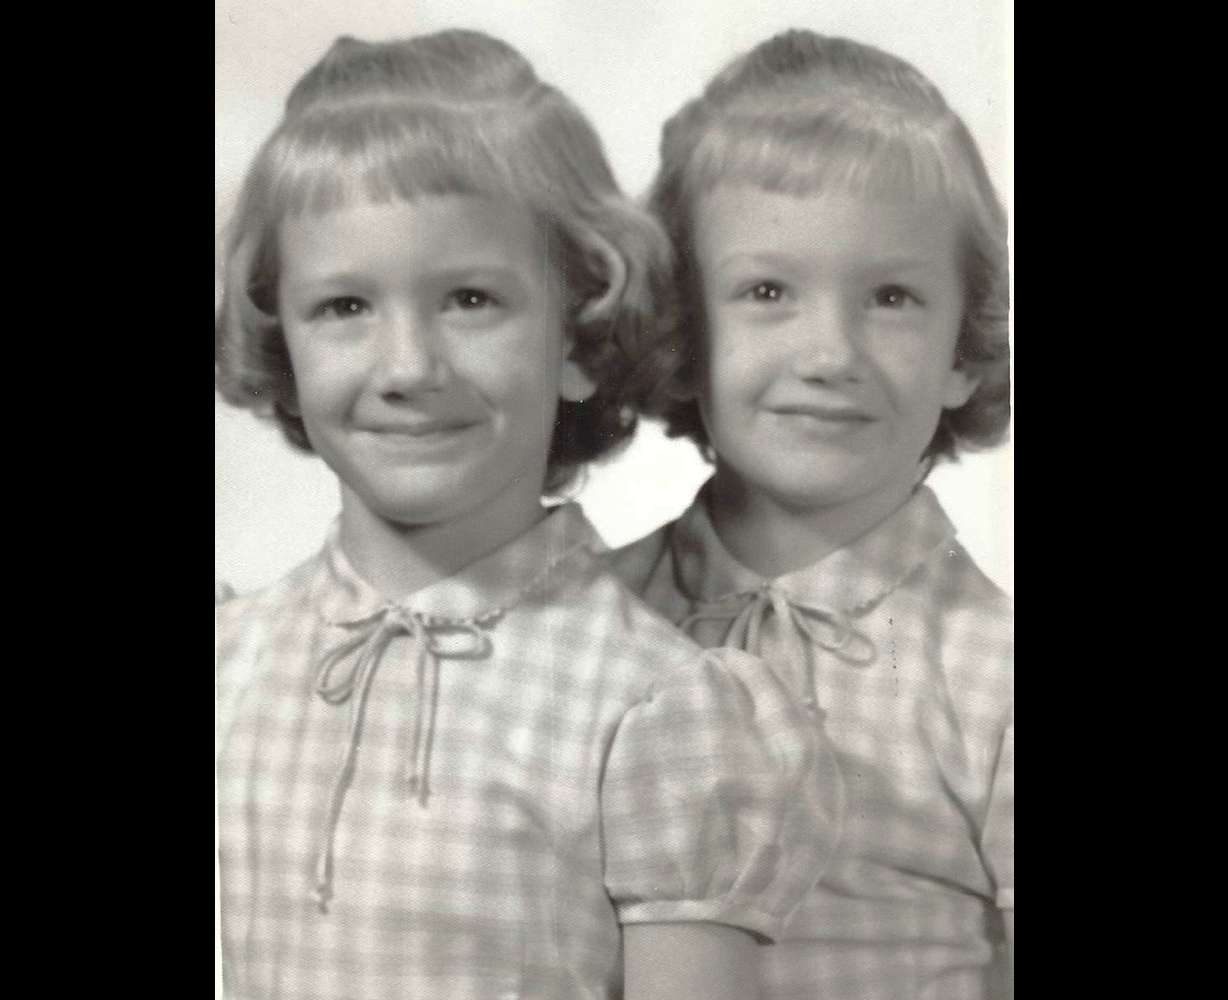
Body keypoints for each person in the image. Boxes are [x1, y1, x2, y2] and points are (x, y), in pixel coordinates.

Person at [214, 29, 844, 1000]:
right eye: (344, 307)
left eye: (469, 298)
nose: (408, 367)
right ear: (280, 348)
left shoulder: (655, 707)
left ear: (581, 338)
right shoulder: (237, 661)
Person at [611, 29, 1013, 1000]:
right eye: (766, 291)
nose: (829, 350)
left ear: (963, 348)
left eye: (889, 295)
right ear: (681, 328)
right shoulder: (586, 622)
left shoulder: (990, 674)